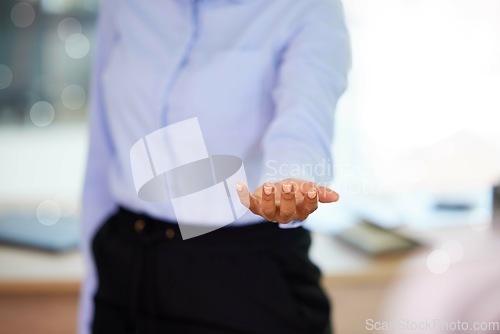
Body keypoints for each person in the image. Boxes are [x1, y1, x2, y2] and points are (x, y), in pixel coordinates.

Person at [80, 0, 350, 333]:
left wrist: (289, 183)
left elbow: (303, 121)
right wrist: (90, 304)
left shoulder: (305, 7)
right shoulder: (127, 6)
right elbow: (102, 156)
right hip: (126, 264)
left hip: (243, 277)